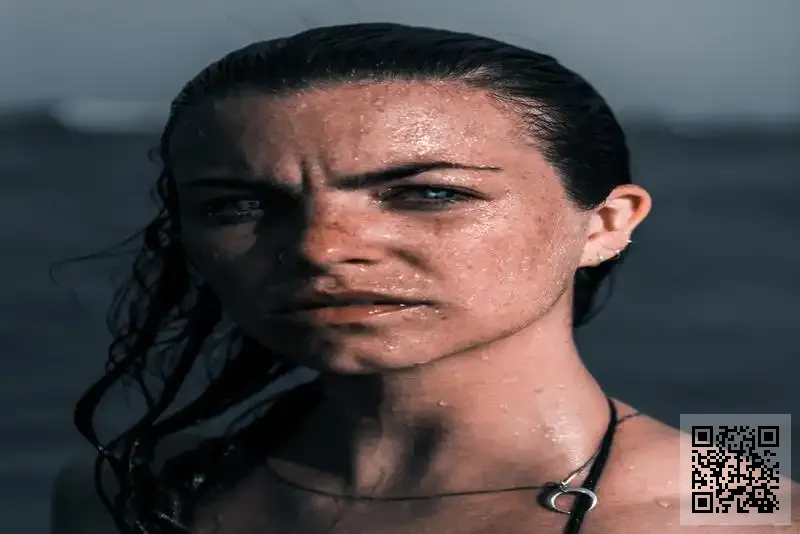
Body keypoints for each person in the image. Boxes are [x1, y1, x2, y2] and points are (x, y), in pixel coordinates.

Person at [50, 22, 798, 534]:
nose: (320, 248)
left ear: (604, 224)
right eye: (239, 205)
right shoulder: (129, 492)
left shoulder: (743, 504)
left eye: (429, 193)